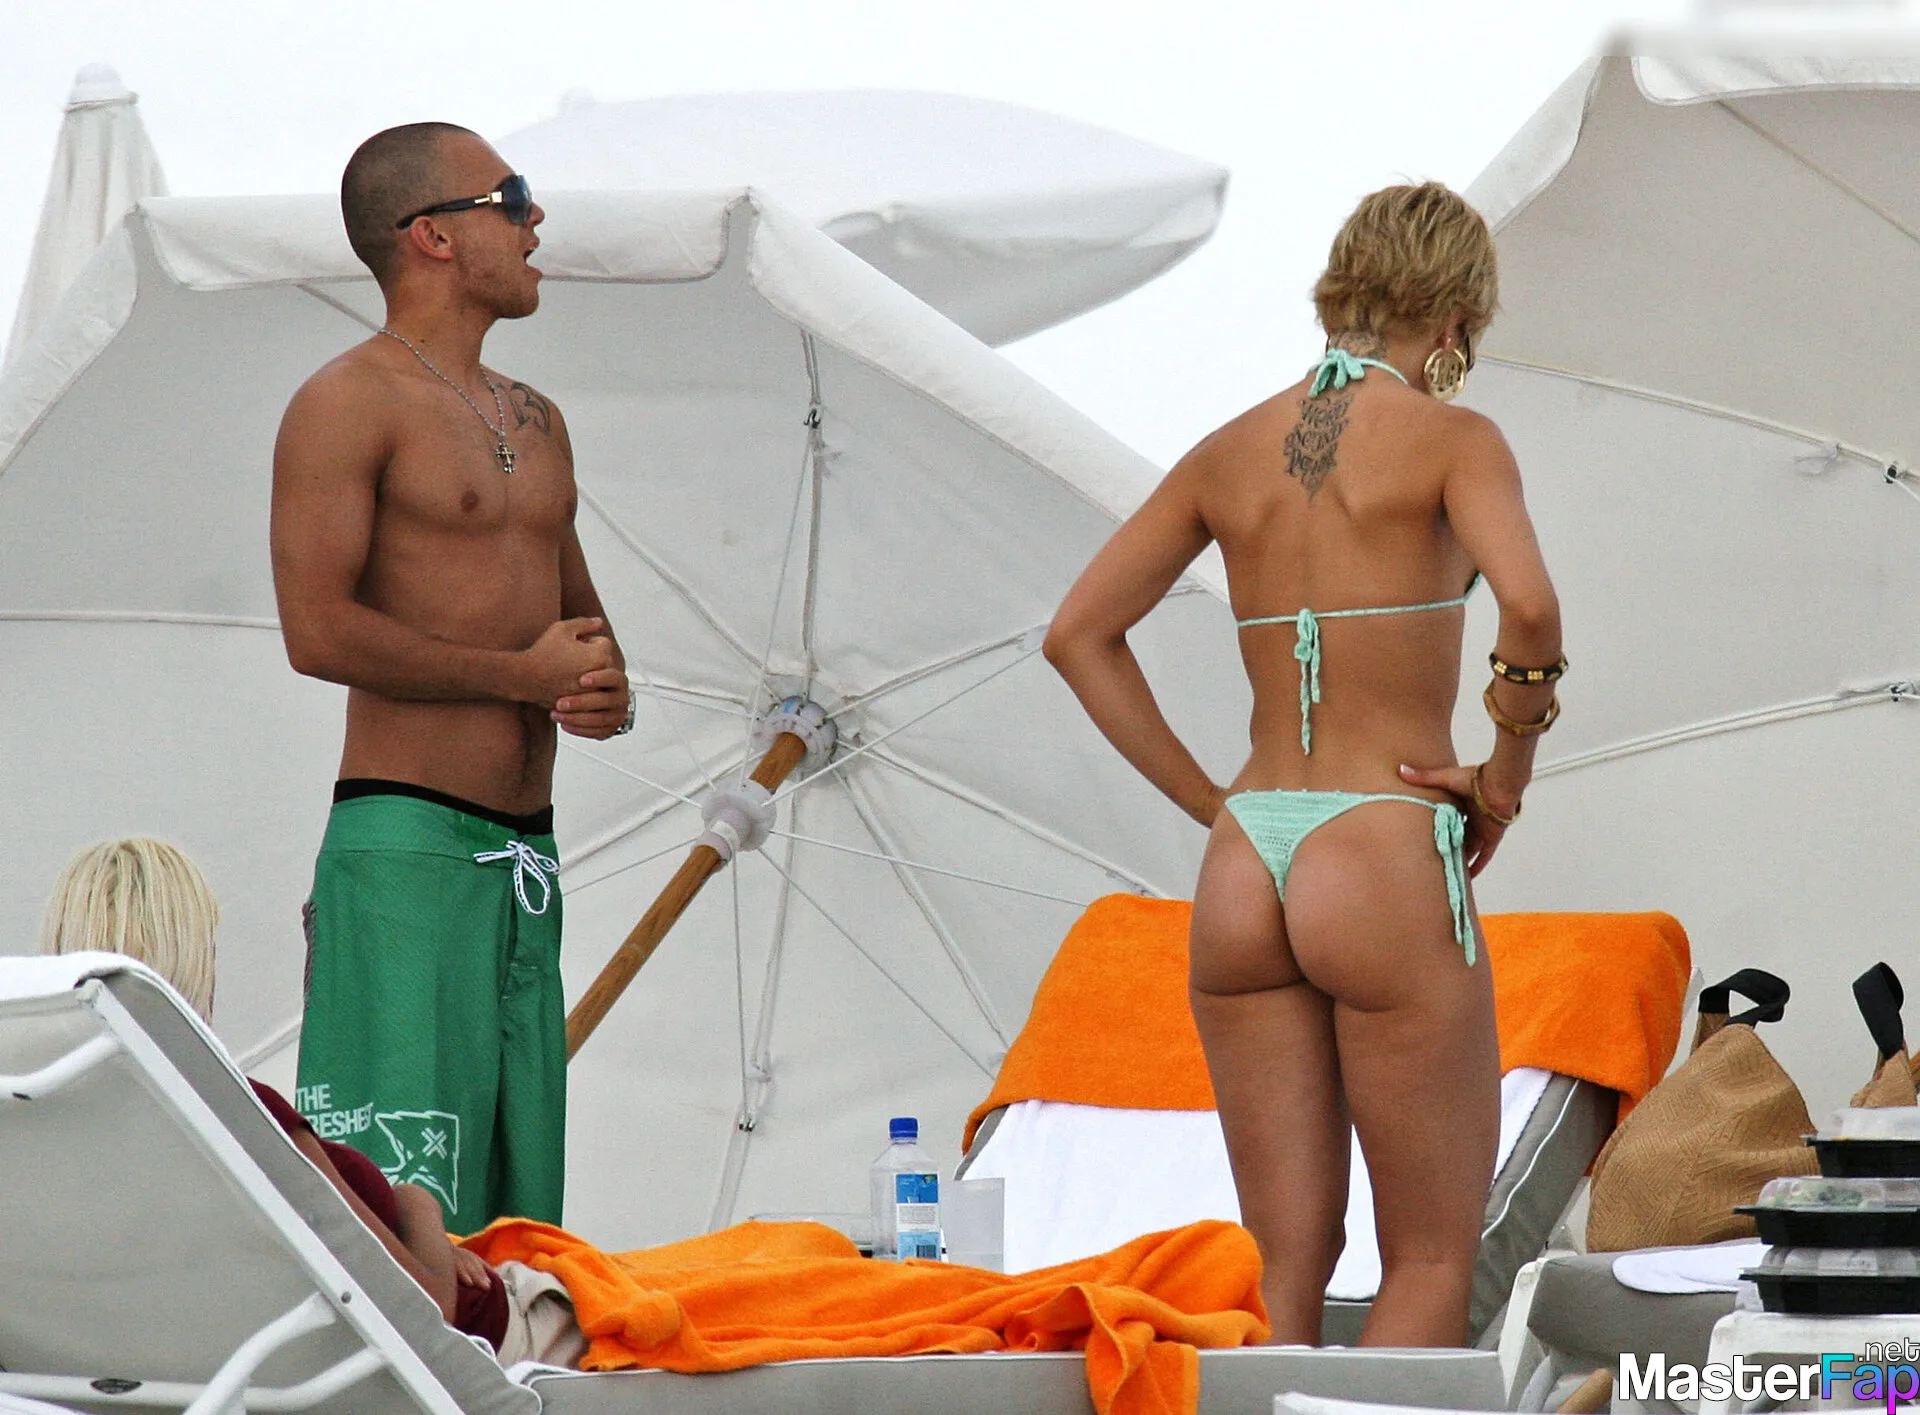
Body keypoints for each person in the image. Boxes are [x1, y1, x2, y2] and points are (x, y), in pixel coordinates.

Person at [1043, 183, 1563, 1347]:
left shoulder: (1228, 450)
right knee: (1429, 1257)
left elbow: (1077, 634)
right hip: (1381, 842)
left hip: (1245, 857)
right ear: (1455, 320)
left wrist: (1211, 801)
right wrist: (1504, 776)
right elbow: (1528, 608)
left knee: (1281, 1261)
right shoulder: (1456, 441)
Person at [270, 123, 632, 1235]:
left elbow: (578, 625)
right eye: (511, 198)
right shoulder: (347, 400)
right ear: (431, 234)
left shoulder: (539, 417)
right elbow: (316, 632)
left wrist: (602, 685)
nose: (535, 219)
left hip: (527, 860)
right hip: (406, 853)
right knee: (400, 1220)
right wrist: (519, 676)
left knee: (517, 1234)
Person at [39, 837, 588, 1367]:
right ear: (191, 961)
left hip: (236, 1366)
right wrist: (416, 1205)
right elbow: (426, 1311)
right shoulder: (236, 1114)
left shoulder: (54, 1126)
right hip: (498, 1340)